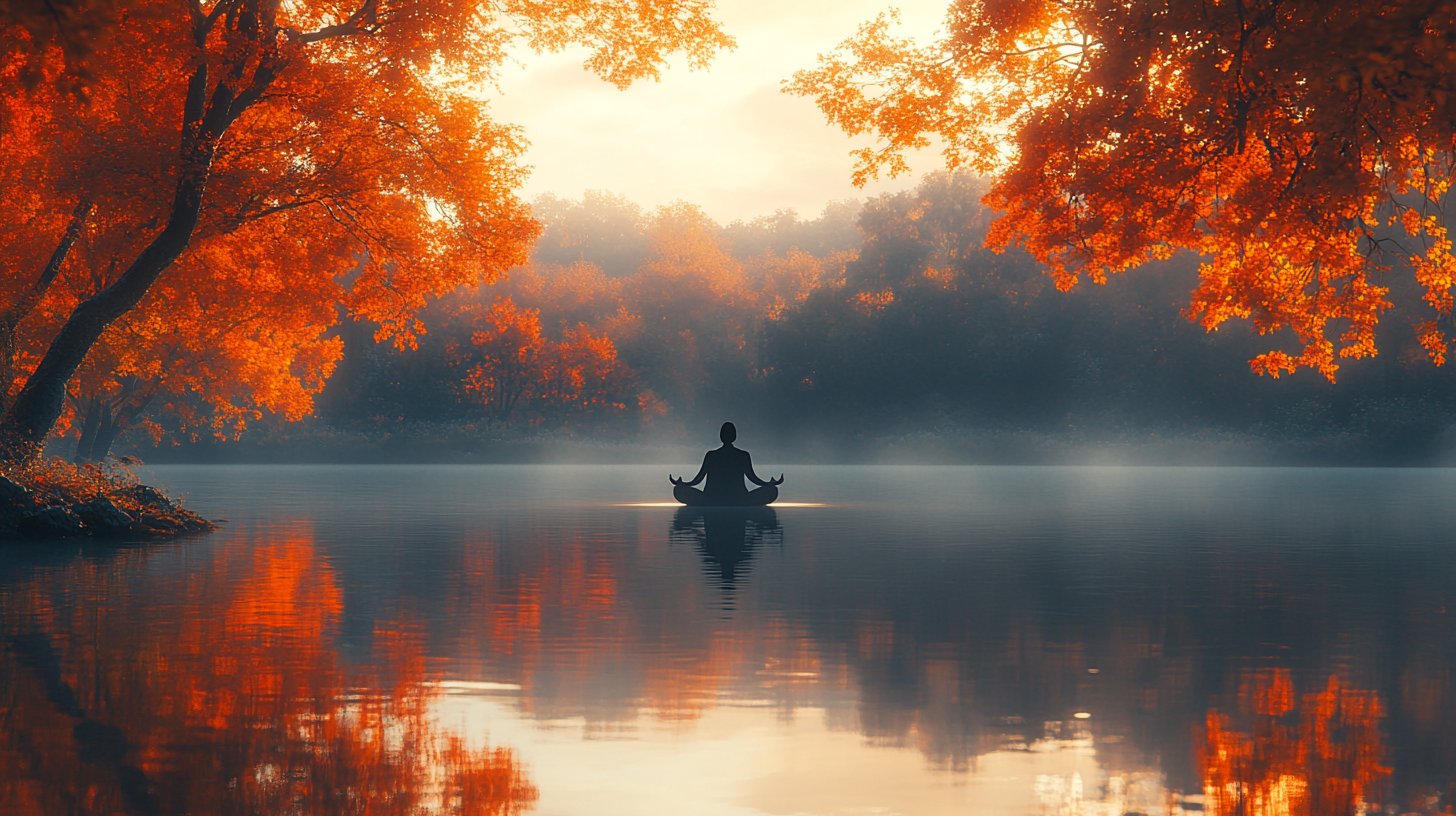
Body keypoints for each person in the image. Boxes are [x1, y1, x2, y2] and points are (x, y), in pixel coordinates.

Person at [669, 422, 783, 506]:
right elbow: (753, 478)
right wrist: (769, 484)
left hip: (711, 499)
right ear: (735, 436)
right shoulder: (742, 455)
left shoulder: (712, 455)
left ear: (721, 436)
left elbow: (698, 480)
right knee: (771, 490)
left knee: (679, 489)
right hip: (738, 499)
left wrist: (683, 485)